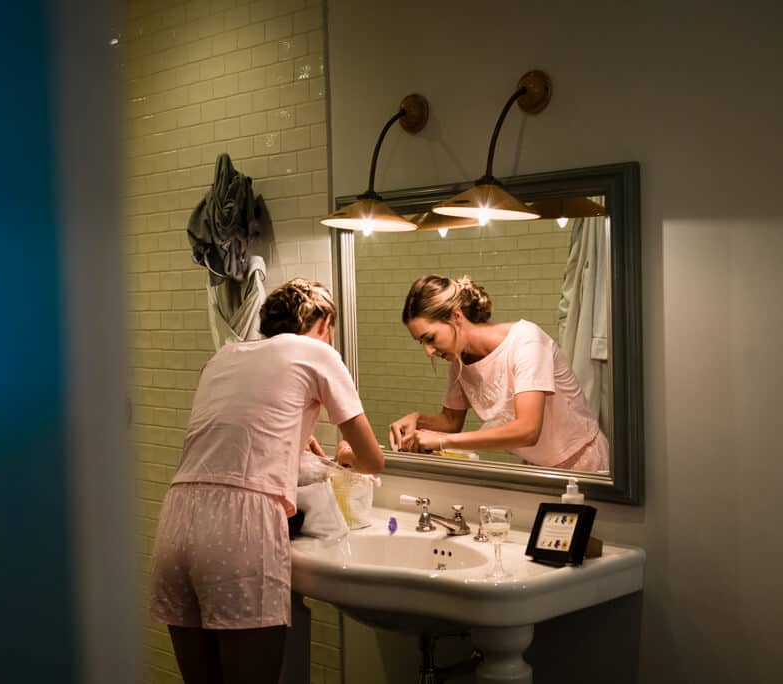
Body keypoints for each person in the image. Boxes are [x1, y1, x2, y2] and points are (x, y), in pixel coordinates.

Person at [148, 278, 384, 684]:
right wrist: (345, 456)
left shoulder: (223, 356)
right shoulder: (318, 353)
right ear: (325, 321)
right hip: (238, 529)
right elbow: (372, 460)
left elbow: (239, 439)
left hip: (177, 520)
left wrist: (292, 445)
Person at [386, 274, 609, 472]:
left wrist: (443, 441)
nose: (428, 351)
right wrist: (417, 419)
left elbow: (528, 430)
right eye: (421, 342)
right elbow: (451, 421)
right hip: (537, 468)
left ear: (456, 317)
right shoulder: (459, 360)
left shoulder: (526, 341)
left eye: (430, 338)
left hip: (582, 463)